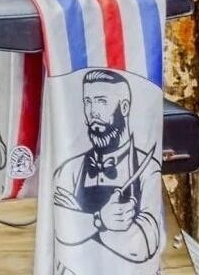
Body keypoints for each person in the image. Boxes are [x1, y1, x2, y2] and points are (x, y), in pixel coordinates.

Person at [50, 70, 162, 266]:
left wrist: (80, 226)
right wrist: (101, 220)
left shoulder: (147, 168)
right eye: (88, 102)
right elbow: (60, 232)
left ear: (125, 107)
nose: (93, 111)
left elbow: (143, 246)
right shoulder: (69, 169)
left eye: (101, 101)